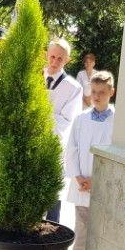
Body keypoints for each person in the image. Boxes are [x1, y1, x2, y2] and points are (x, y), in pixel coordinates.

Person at [62, 71, 115, 250]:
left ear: (111, 92)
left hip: (103, 182)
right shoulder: (81, 119)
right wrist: (78, 177)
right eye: (94, 91)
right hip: (82, 180)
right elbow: (72, 149)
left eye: (102, 92)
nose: (97, 96)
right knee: (82, 220)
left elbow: (113, 154)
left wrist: (97, 180)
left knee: (102, 221)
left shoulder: (116, 121)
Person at [44, 38, 83, 223]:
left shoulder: (73, 87)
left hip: (54, 146)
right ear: (46, 54)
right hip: (30, 143)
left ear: (67, 60)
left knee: (52, 193)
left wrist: (42, 115)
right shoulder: (34, 77)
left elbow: (68, 121)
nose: (54, 61)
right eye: (52, 56)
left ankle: (52, 227)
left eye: (60, 58)